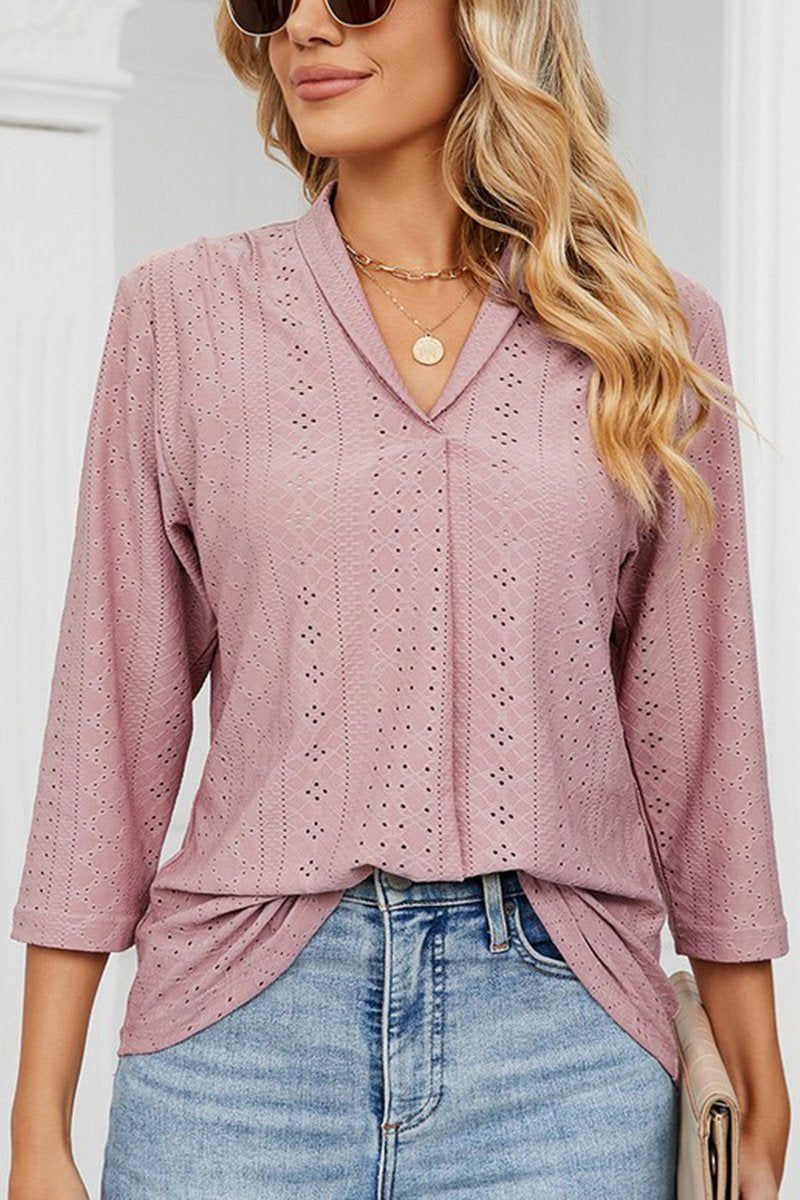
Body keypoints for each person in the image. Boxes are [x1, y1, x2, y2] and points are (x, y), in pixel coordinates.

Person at [8, 0, 791, 1196]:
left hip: (563, 1053)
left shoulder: (648, 334)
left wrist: (756, 1071)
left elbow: (699, 738)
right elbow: (106, 723)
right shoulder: (182, 315)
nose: (305, 28)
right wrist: (36, 1129)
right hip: (237, 1043)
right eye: (270, 2)